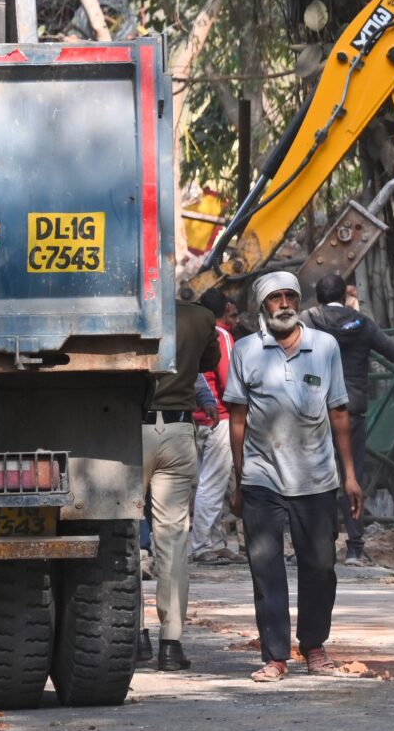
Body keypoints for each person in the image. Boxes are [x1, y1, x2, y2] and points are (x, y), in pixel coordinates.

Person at [225, 272, 360, 683]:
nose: (283, 303)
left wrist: (350, 475)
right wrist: (239, 477)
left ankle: (314, 646)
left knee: (320, 565)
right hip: (262, 476)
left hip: (317, 476)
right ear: (261, 306)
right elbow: (237, 417)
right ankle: (275, 656)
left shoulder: (325, 346)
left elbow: (338, 411)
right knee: (265, 567)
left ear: (298, 302)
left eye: (289, 296)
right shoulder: (247, 350)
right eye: (274, 298)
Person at [139, 291, 219, 672]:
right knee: (172, 539)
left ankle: (134, 633)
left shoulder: (128, 304)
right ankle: (170, 643)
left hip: (126, 428)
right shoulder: (200, 318)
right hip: (177, 431)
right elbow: (209, 362)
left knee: (122, 533)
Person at [307, 272, 394, 560]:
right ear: (343, 297)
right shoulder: (362, 324)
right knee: (352, 476)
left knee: (317, 478)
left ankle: (322, 544)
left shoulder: (307, 321)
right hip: (351, 410)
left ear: (319, 298)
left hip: (314, 412)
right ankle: (354, 547)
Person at [189, 286, 238, 555]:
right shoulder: (222, 336)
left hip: (197, 416)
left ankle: (216, 542)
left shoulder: (195, 332)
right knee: (213, 483)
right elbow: (228, 379)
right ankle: (203, 544)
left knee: (204, 483)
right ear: (226, 309)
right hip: (219, 415)